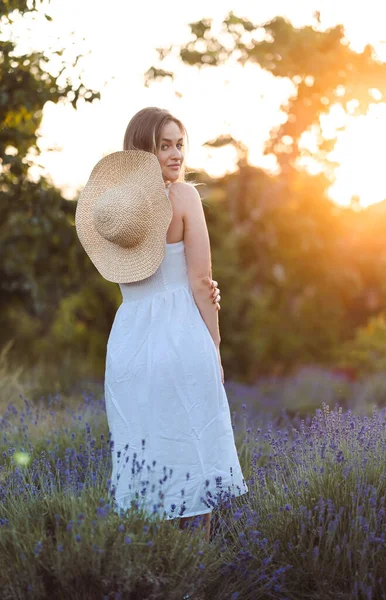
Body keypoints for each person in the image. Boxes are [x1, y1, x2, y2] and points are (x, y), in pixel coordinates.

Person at [75, 106, 248, 544]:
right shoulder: (184, 197)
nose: (175, 155)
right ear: (143, 151)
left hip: (130, 346)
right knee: (195, 446)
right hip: (181, 339)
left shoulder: (114, 210)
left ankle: (160, 568)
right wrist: (215, 343)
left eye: (179, 145)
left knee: (146, 452)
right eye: (164, 145)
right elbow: (199, 281)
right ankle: (195, 570)